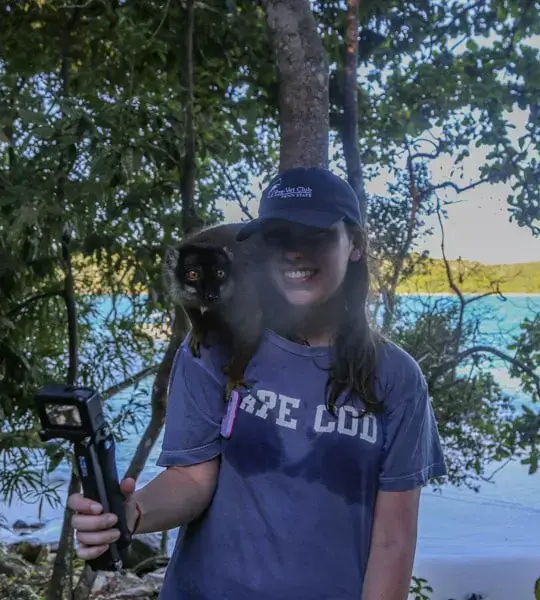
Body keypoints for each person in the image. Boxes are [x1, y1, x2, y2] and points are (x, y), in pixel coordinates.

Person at [68, 166, 447, 599]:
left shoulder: (396, 378)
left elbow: (393, 540)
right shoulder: (212, 349)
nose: (293, 253)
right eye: (278, 237)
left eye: (315, 234)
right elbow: (193, 480)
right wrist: (131, 513)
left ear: (356, 244)